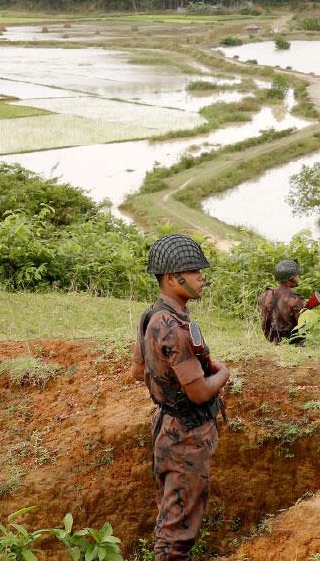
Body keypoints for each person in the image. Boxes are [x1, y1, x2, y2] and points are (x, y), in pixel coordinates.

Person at [131, 234, 229, 561]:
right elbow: (199, 392)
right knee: (177, 538)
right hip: (186, 436)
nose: (203, 277)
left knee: (170, 521)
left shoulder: (151, 317)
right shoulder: (174, 328)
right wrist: (223, 374)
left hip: (166, 427)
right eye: (195, 272)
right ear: (174, 278)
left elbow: (137, 370)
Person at [257, 259, 307, 345]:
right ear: (291, 278)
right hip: (293, 346)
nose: (298, 277)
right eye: (296, 275)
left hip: (272, 341)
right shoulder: (295, 299)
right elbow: (303, 326)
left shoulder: (265, 295)